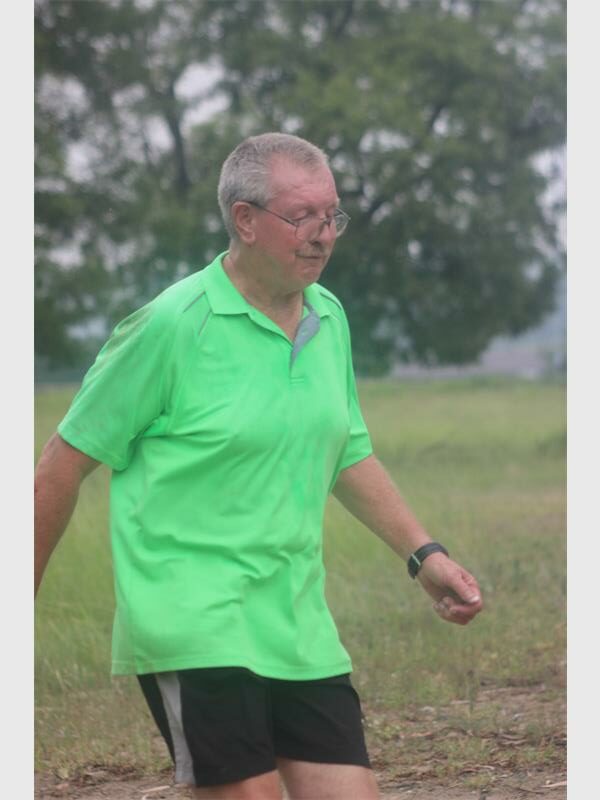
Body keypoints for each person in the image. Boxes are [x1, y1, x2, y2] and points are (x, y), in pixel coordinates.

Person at [35, 132, 483, 800]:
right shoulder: (172, 325)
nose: (323, 234)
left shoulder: (328, 317)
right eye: (302, 217)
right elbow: (60, 464)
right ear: (244, 220)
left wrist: (425, 555)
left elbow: (346, 452)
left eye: (331, 215)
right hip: (193, 618)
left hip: (296, 620)